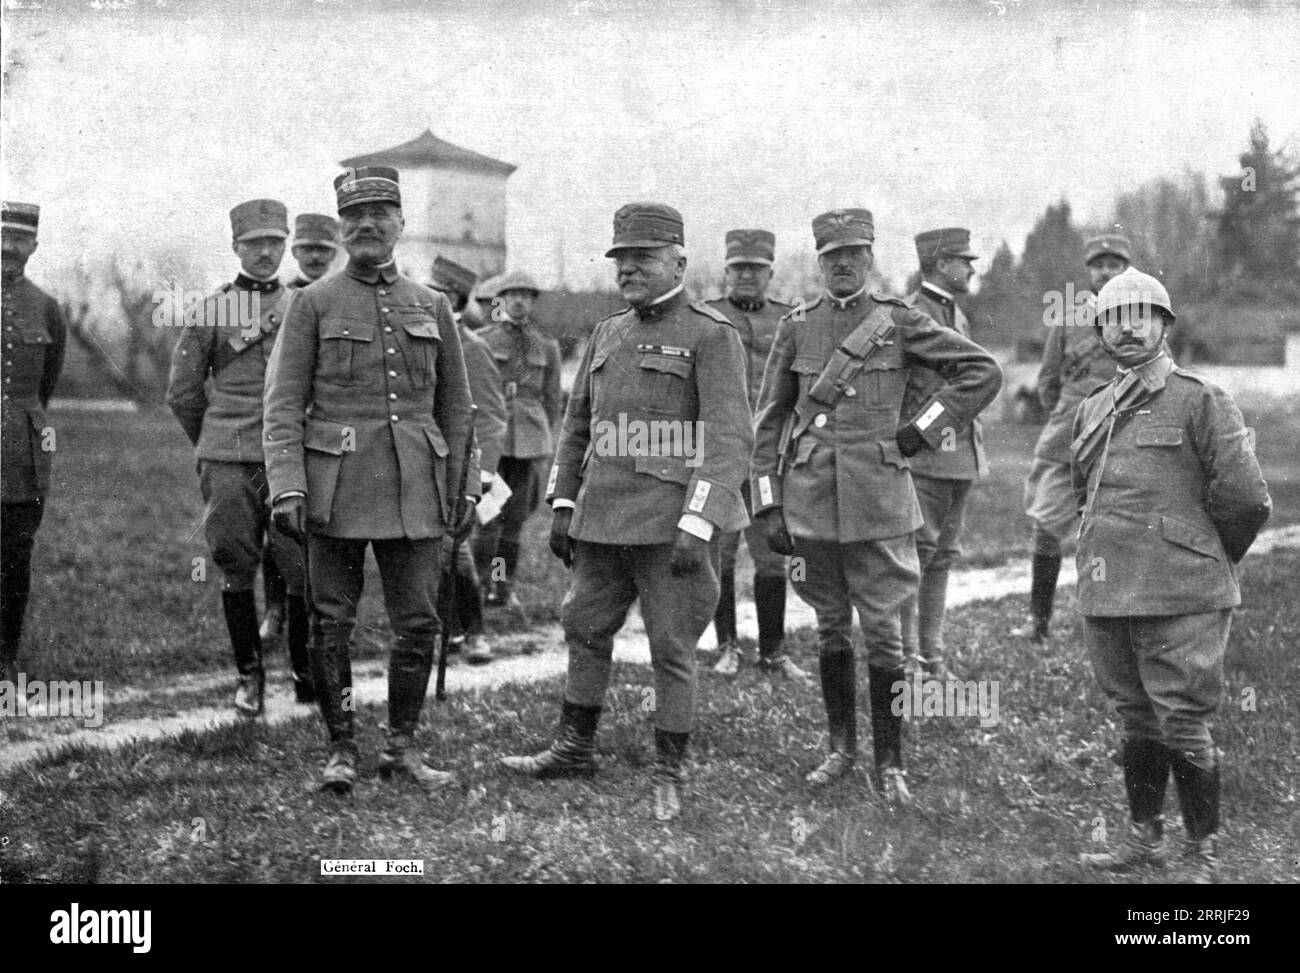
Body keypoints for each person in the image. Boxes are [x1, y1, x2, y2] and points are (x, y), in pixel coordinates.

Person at [500, 203, 752, 822]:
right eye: (621, 259)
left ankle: (669, 770)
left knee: (672, 646)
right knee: (584, 626)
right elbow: (576, 425)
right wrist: (562, 503)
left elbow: (728, 439)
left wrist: (698, 523)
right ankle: (573, 748)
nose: (629, 269)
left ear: (680, 262)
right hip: (603, 518)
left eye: (644, 257)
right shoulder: (606, 333)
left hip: (671, 524)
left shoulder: (711, 335)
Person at [750, 208, 1001, 801]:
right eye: (831, 255)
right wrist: (767, 505)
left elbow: (979, 371)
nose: (842, 264)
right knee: (831, 625)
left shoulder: (899, 321)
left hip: (881, 501)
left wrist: (923, 430)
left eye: (854, 254)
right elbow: (770, 420)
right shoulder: (797, 325)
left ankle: (891, 763)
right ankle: (841, 749)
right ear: (819, 262)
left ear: (870, 258)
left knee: (885, 633)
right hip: (810, 501)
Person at [264, 167, 477, 794]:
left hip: (416, 485)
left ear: (401, 225)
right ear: (341, 228)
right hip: (334, 486)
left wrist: (462, 487)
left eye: (380, 214)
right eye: (354, 217)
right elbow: (281, 404)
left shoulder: (433, 304)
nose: (367, 226)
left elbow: (457, 408)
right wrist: (288, 485)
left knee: (419, 621)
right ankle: (340, 749)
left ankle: (401, 750)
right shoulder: (311, 302)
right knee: (331, 621)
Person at [1072, 268, 1270, 883]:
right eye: (1114, 317)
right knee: (1135, 717)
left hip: (1182, 593)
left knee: (1182, 719)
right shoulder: (1093, 409)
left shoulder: (1200, 399)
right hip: (1110, 591)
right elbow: (1087, 495)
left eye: (1142, 314)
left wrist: (1202, 561)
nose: (1127, 327)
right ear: (1101, 332)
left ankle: (1201, 853)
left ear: (1163, 325)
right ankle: (1143, 840)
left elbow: (1245, 500)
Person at [166, 199, 311, 714]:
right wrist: (214, 442)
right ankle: (248, 676)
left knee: (299, 567)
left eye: (276, 242)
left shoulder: (304, 305)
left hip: (290, 458)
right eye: (255, 244)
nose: (267, 252)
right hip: (229, 458)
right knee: (234, 564)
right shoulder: (210, 309)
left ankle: (303, 674)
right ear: (236, 247)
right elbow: (183, 392)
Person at [1013, 234, 1131, 642]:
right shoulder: (1067, 316)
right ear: (1089, 270)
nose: (1105, 271)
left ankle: (1115, 626)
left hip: (1122, 437)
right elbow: (1048, 380)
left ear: (1125, 269)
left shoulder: (1142, 314)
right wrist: (1071, 412)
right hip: (1068, 436)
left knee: (1118, 531)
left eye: (1114, 264)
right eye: (1098, 264)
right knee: (1046, 524)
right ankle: (1038, 622)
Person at [705, 229, 807, 684]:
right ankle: (726, 645)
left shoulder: (791, 320)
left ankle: (773, 652)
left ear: (770, 273)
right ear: (727, 272)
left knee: (771, 556)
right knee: (719, 555)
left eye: (755, 268)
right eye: (738, 267)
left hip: (768, 458)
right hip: (721, 457)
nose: (746, 275)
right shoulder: (707, 317)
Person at [899, 228, 998, 682]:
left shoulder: (956, 313)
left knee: (941, 559)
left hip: (959, 459)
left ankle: (931, 659)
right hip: (927, 459)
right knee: (914, 559)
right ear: (940, 264)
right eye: (964, 260)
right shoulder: (912, 313)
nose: (971, 269)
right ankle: (907, 660)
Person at [260, 212, 342, 648]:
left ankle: (309, 630)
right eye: (308, 249)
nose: (315, 257)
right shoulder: (278, 301)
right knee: (274, 530)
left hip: (320, 431)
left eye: (324, 251)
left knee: (309, 535)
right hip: (278, 426)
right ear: (295, 252)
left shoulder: (340, 298)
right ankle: (275, 609)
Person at [1, 202, 67, 688]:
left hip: (21, 453)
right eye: (1, 235)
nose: (8, 246)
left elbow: (46, 382)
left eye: (19, 238)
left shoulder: (46, 307)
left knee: (14, 556)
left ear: (34, 246)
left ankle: (4, 656)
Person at [430, 256, 507, 664]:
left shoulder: (472, 349)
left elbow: (492, 416)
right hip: (417, 459)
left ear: (456, 300)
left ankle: (475, 632)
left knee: (454, 550)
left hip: (458, 465)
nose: (433, 299)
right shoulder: (418, 338)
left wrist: (486, 472)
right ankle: (449, 629)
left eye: (441, 293)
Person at [473, 270, 562, 611]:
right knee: (488, 516)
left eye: (527, 295)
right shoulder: (484, 339)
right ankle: (482, 584)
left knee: (514, 519)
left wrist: (539, 433)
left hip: (527, 440)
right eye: (514, 295)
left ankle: (501, 586)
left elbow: (552, 400)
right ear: (502, 299)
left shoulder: (546, 346)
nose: (521, 300)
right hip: (492, 437)